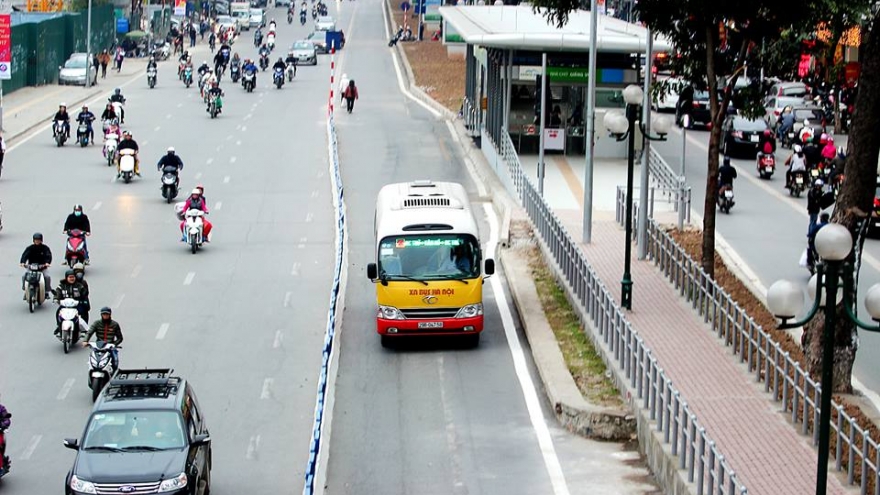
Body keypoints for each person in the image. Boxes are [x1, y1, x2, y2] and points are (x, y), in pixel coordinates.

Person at [53, 269, 89, 339]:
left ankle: (83, 330)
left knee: (84, 312)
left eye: (73, 277)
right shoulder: (61, 286)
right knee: (58, 313)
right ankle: (59, 327)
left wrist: (83, 300)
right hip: (65, 306)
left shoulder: (79, 286)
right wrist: (56, 299)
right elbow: (58, 293)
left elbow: (84, 293)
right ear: (66, 278)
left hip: (77, 305)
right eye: (70, 277)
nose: (72, 279)